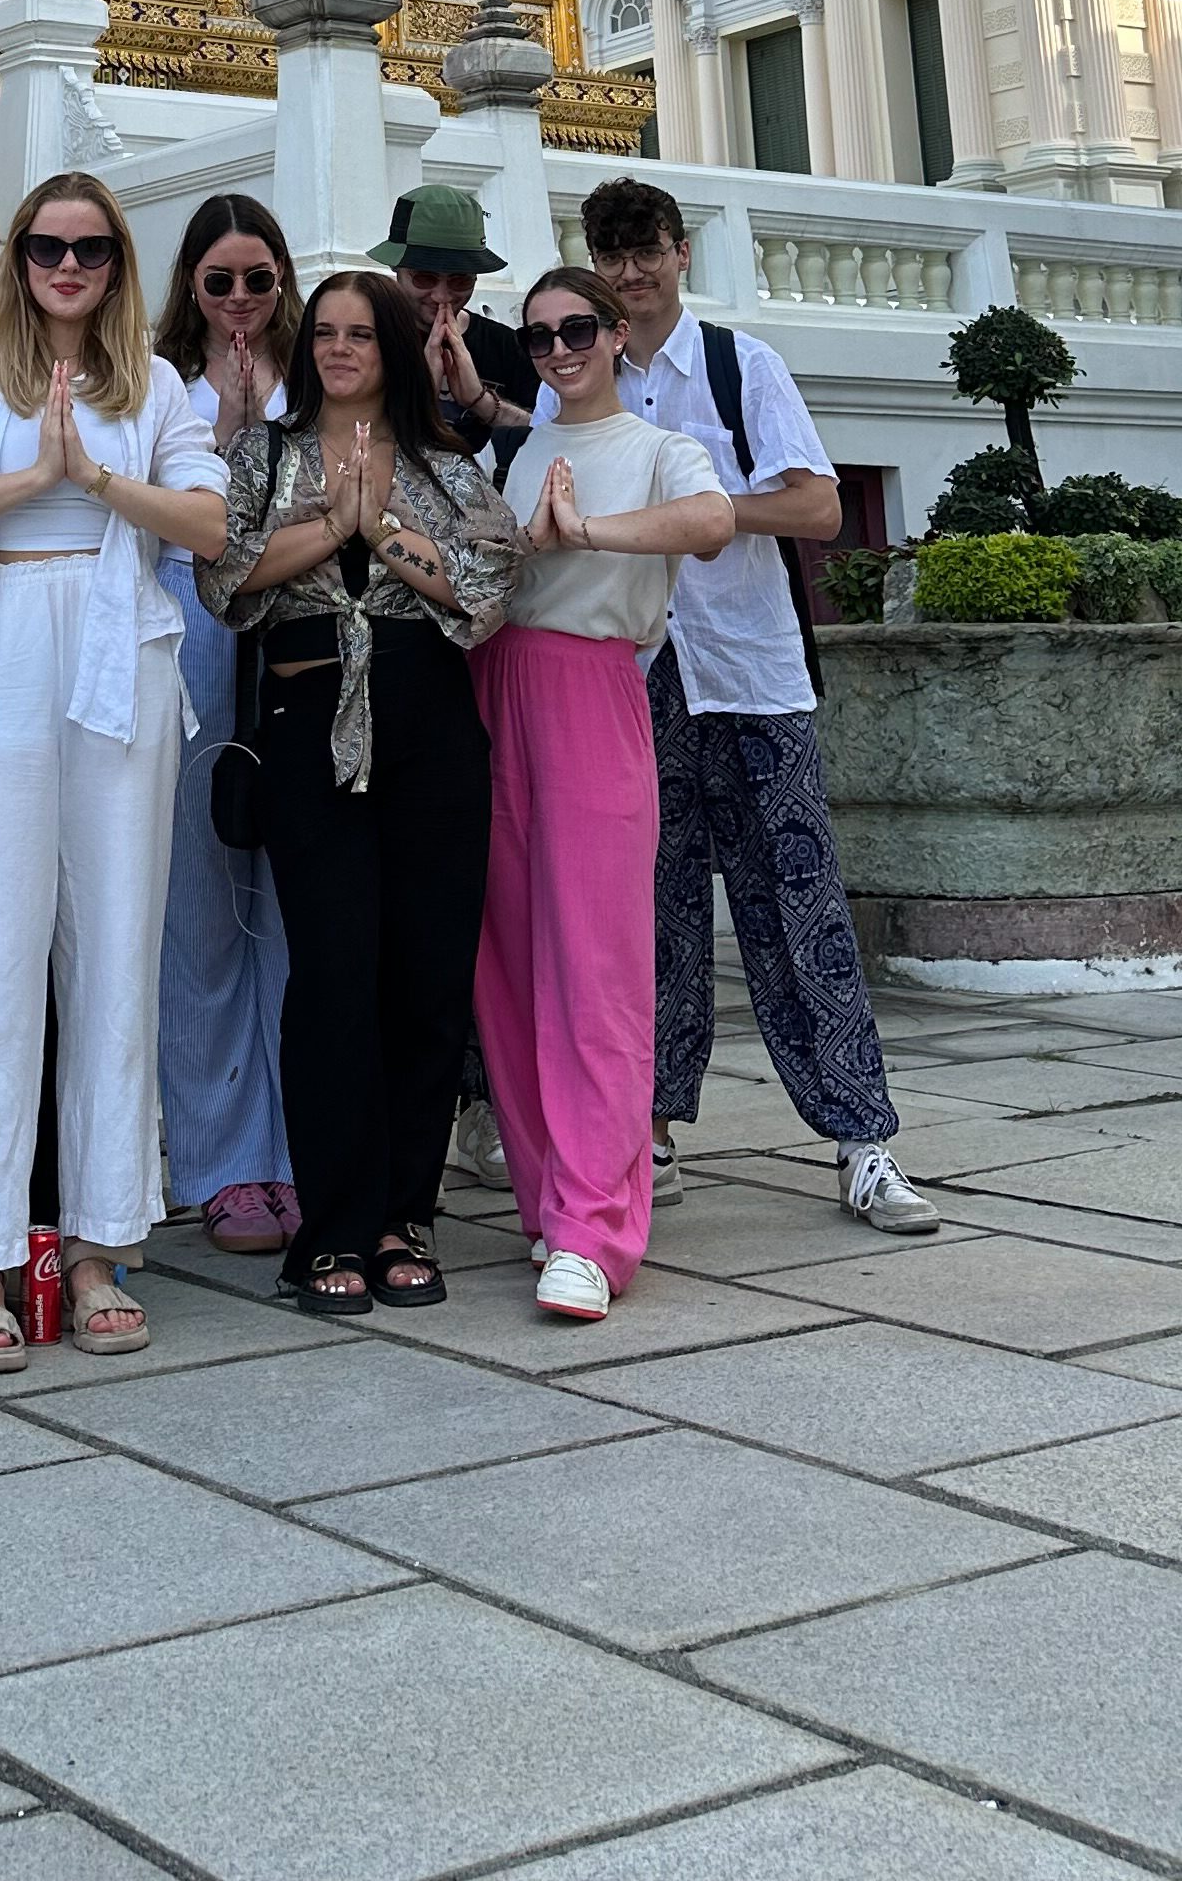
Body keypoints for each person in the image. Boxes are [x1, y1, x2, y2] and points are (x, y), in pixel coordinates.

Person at [0, 171, 226, 1371]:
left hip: (119, 656)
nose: (68, 268)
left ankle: (98, 1246)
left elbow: (209, 523)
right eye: (46, 248)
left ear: (120, 264)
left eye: (90, 250)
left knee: (116, 950)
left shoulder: (160, 383)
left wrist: (98, 482)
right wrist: (34, 479)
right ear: (20, 258)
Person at [578, 176, 936, 1236]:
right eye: (613, 255)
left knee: (799, 908)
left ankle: (862, 1138)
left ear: (681, 254)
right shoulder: (582, 377)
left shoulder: (740, 367)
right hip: (640, 674)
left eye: (647, 252)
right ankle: (648, 1122)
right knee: (651, 908)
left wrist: (702, 514)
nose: (632, 274)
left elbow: (818, 503)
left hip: (751, 671)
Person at [195, 272, 518, 1317]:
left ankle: (403, 1217)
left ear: (391, 345)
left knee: (425, 975)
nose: (338, 349)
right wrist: (333, 526)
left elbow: (486, 587)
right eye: (324, 333)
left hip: (429, 723)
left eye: (357, 334)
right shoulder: (265, 454)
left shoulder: (443, 461)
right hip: (308, 726)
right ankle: (331, 1224)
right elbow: (225, 577)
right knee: (332, 976)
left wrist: (379, 531)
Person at [483, 266, 732, 1322]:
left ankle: (596, 1225)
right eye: (538, 337)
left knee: (600, 968)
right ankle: (549, 1198)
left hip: (594, 692)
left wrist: (587, 535)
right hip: (497, 690)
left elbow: (712, 522)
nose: (557, 350)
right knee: (512, 965)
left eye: (575, 329)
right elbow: (492, 573)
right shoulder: (525, 447)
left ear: (616, 334)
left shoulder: (659, 448)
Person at [150, 195, 300, 1256]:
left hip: (299, 654)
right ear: (190, 290)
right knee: (200, 920)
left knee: (297, 918)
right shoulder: (159, 389)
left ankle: (298, 1150)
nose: (241, 301)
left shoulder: (325, 378)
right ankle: (220, 1162)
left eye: (259, 280)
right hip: (194, 644)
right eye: (221, 282)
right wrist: (227, 433)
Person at [368, 188, 535, 480]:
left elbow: (547, 436)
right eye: (424, 278)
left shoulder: (507, 346)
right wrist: (420, 393)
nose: (441, 295)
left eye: (459, 281)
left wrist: (480, 401)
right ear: (397, 268)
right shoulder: (368, 341)